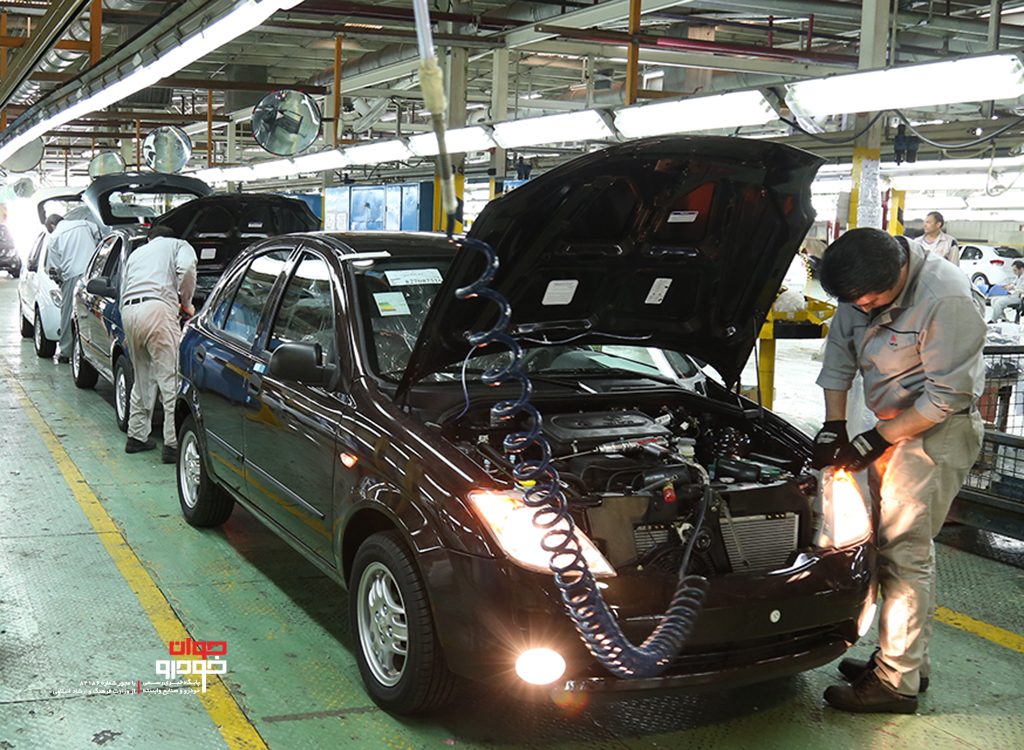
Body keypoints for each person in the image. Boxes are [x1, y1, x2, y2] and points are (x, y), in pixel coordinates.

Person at [812, 227, 984, 714]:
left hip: (936, 433)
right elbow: (839, 357)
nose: (862, 308)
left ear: (900, 273)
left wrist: (877, 438)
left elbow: (946, 398)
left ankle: (895, 683)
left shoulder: (946, 299)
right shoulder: (859, 284)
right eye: (854, 302)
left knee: (904, 553)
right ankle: (909, 663)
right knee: (894, 549)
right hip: (892, 426)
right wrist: (834, 425)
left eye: (871, 301)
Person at [120, 225, 197, 463]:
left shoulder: (136, 254)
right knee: (169, 379)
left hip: (129, 311)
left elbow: (124, 287)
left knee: (142, 377)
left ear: (150, 238)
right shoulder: (179, 245)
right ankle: (172, 445)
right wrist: (186, 303)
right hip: (157, 309)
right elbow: (187, 268)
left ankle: (136, 436)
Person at [45, 215, 102, 363]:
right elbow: (99, 235)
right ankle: (95, 351)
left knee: (67, 313)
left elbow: (53, 267)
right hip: (93, 273)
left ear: (52, 226)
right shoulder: (84, 223)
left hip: (72, 275)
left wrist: (58, 278)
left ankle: (66, 351)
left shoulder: (55, 236)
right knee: (93, 313)